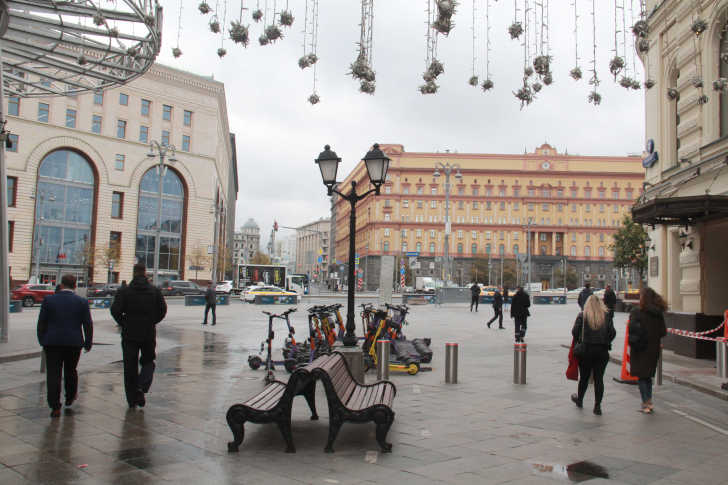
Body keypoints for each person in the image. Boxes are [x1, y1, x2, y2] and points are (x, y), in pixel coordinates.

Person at [110, 263, 167, 409]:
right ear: (145, 274)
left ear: (134, 274)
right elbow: (162, 310)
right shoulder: (154, 291)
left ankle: (132, 399)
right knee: (148, 360)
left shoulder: (125, 291)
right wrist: (152, 321)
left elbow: (115, 310)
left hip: (130, 334)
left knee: (130, 365)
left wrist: (124, 323)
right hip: (148, 333)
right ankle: (142, 386)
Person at [37, 274, 93, 417]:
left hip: (52, 342)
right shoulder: (82, 302)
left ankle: (55, 406)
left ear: (61, 285)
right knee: (71, 370)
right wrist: (88, 342)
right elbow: (87, 324)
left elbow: (42, 322)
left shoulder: (49, 300)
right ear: (75, 286)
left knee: (53, 372)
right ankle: (70, 397)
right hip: (73, 342)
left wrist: (42, 339)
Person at [570, 294, 617, 416]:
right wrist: (605, 341)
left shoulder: (582, 315)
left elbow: (574, 332)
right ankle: (597, 406)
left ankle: (580, 400)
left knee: (584, 377)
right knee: (598, 378)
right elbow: (612, 333)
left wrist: (580, 339)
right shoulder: (605, 316)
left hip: (586, 350)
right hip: (602, 351)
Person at [628, 287, 667, 414]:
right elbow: (662, 331)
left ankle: (645, 404)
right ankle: (649, 402)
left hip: (640, 347)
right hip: (653, 348)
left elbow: (632, 329)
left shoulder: (636, 311)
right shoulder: (658, 312)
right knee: (648, 375)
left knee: (641, 376)